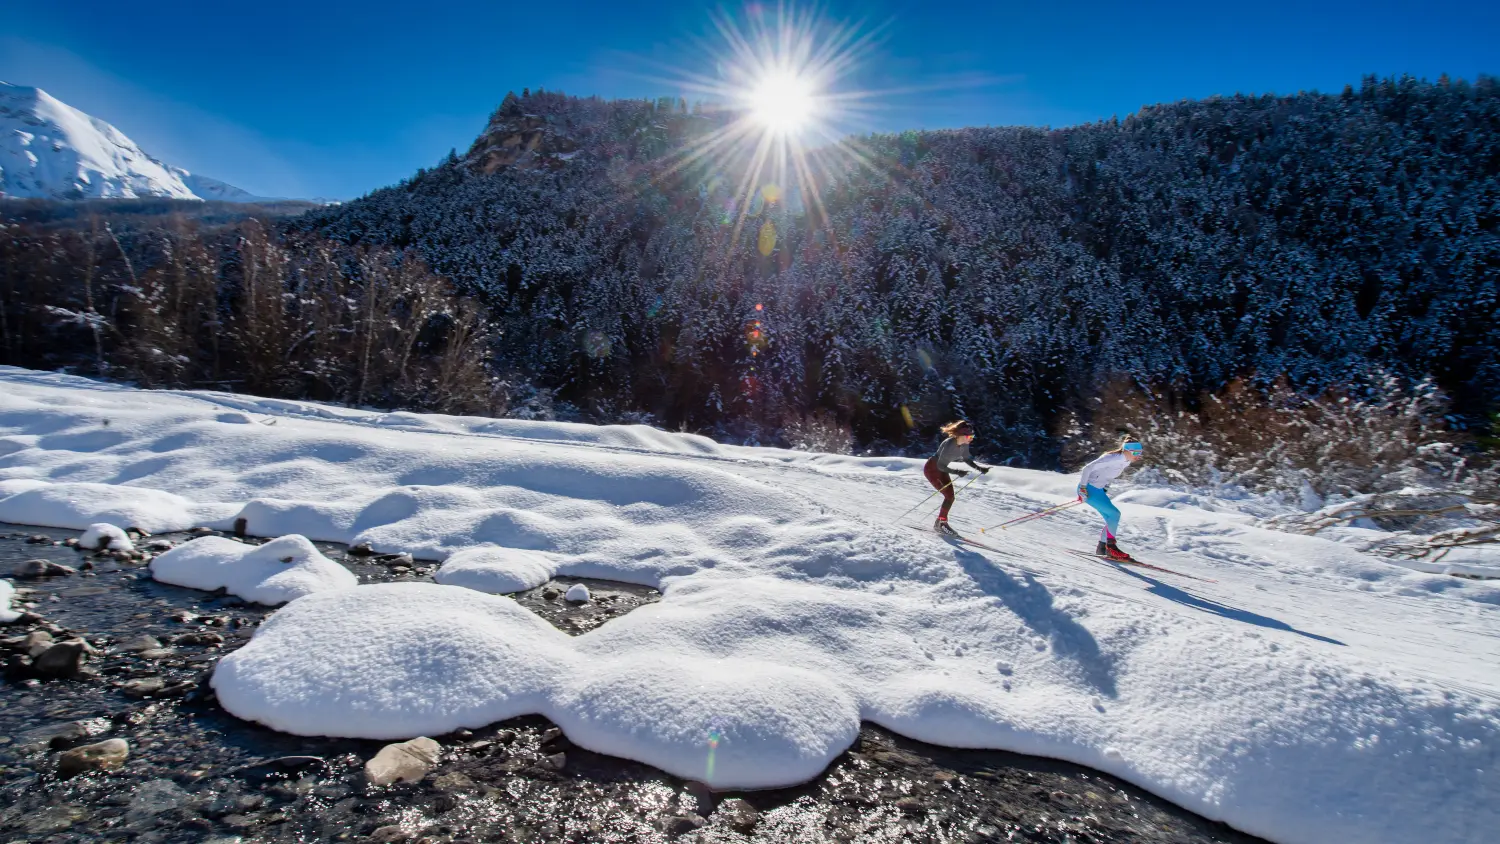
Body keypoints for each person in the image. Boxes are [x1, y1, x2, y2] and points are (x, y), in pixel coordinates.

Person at [1077, 436, 1144, 561]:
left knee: (1112, 517)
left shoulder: (1125, 461)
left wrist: (1105, 486)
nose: (1138, 455)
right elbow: (1087, 468)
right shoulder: (1112, 458)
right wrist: (1082, 488)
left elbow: (1106, 474)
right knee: (1114, 514)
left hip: (1097, 490)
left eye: (1140, 453)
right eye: (1135, 452)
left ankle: (1102, 547)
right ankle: (1110, 548)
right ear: (1126, 450)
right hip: (1089, 489)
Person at [923, 420, 990, 534]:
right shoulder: (949, 443)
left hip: (942, 469)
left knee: (951, 497)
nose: (970, 438)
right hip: (932, 469)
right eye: (967, 435)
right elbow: (940, 465)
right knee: (949, 496)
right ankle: (941, 523)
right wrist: (957, 472)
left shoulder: (963, 445)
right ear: (959, 434)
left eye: (971, 435)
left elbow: (967, 459)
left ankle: (940, 522)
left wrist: (980, 469)